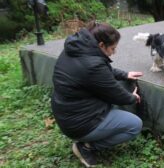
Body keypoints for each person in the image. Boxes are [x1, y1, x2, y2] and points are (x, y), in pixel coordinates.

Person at [51, 21, 143, 167]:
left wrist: (125, 74)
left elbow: (100, 72)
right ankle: (87, 147)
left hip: (67, 114)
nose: (114, 52)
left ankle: (90, 137)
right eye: (113, 48)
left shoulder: (76, 48)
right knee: (135, 125)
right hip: (80, 123)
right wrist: (132, 97)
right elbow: (117, 95)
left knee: (115, 107)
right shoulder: (93, 65)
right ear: (101, 45)